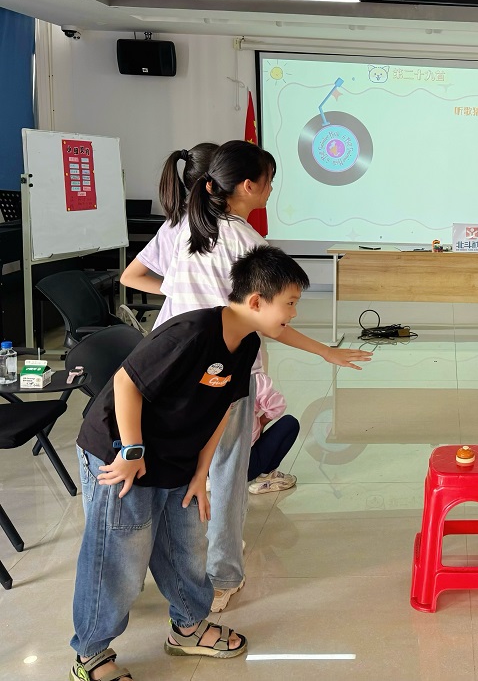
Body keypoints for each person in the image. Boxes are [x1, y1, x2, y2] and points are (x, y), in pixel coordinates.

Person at [123, 140, 372, 612]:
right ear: (247, 186)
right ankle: (221, 577)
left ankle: (157, 574)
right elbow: (271, 322)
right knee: (227, 477)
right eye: (269, 181)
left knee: (175, 472)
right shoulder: (248, 245)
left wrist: (180, 293)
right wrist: (326, 351)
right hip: (226, 375)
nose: (272, 190)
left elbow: (136, 277)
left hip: (170, 369)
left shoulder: (182, 225)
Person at [70, 245, 309, 681]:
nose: (293, 314)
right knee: (120, 558)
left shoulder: (246, 343)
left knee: (187, 546)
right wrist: (132, 451)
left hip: (177, 456)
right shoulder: (193, 331)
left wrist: (201, 474)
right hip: (123, 453)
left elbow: (221, 410)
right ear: (257, 301)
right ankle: (91, 655)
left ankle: (188, 627)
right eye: (290, 303)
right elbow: (125, 384)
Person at [120, 143, 219, 324]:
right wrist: (178, 290)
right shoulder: (207, 225)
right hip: (193, 325)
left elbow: (129, 276)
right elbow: (129, 277)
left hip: (176, 323)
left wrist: (175, 290)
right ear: (212, 183)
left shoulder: (175, 222)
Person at [247, 371, 300, 494]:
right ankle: (266, 476)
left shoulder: (205, 382)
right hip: (247, 467)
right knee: (290, 423)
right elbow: (278, 405)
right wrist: (261, 422)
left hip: (212, 467)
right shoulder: (253, 380)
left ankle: (210, 479)